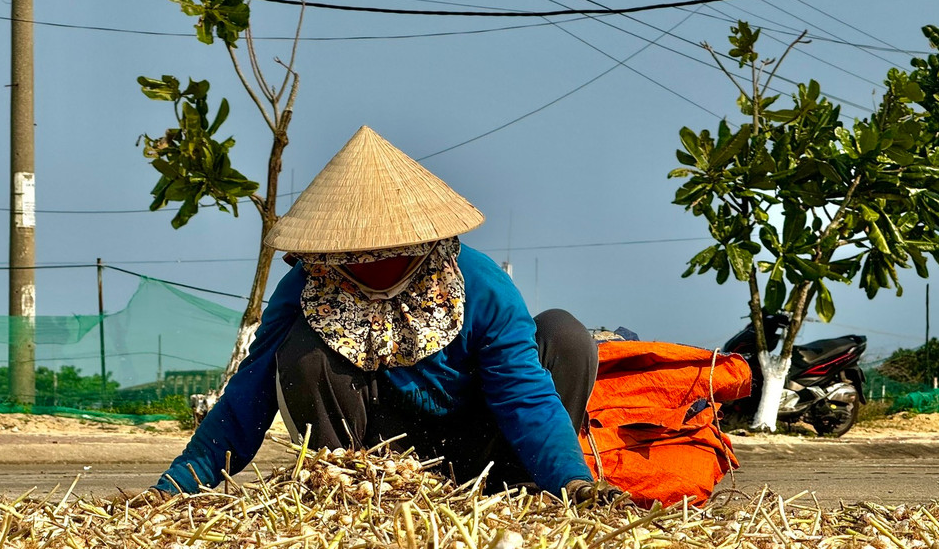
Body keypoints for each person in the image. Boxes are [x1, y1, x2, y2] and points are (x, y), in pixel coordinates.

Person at [148, 126, 616, 503]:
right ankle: (349, 497)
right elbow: (245, 398)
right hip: (377, 461)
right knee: (301, 350)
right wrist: (175, 487)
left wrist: (572, 482)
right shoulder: (308, 287)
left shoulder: (481, 286)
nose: (369, 265)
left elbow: (524, 396)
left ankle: (532, 492)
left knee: (566, 334)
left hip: (484, 450)